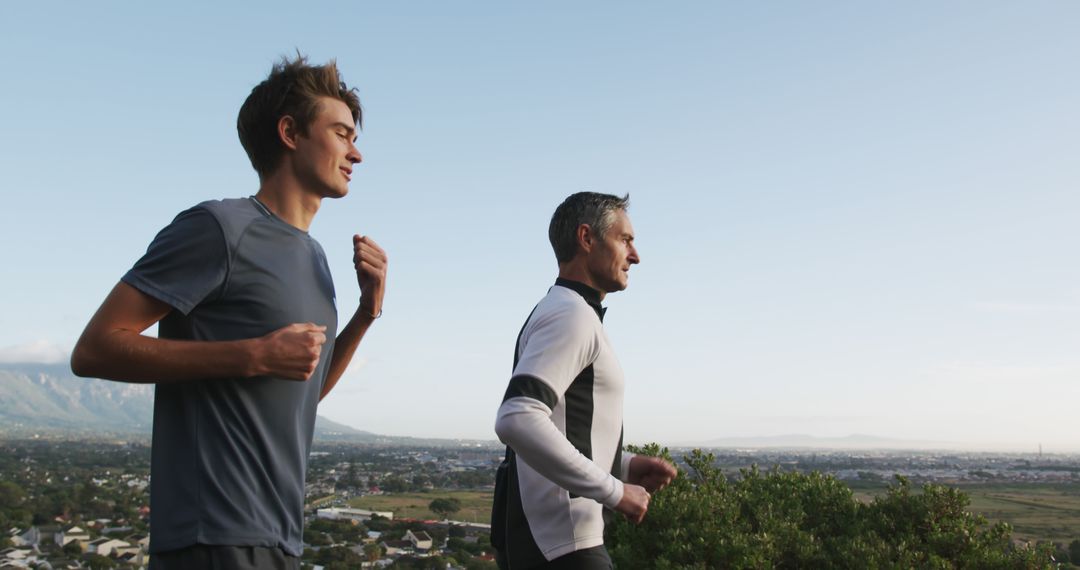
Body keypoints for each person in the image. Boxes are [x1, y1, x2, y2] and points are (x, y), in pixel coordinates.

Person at [70, 55, 386, 570]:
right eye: (341, 134)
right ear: (290, 132)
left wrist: (366, 314)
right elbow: (95, 348)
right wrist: (253, 355)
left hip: (280, 534)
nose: (357, 153)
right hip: (213, 534)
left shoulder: (315, 257)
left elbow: (303, 389)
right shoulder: (219, 227)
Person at [492, 192, 677, 569]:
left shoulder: (561, 310)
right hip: (567, 545)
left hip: (553, 542)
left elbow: (561, 426)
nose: (636, 255)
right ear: (587, 238)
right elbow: (518, 418)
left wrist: (618, 464)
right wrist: (614, 490)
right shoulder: (571, 316)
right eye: (625, 240)